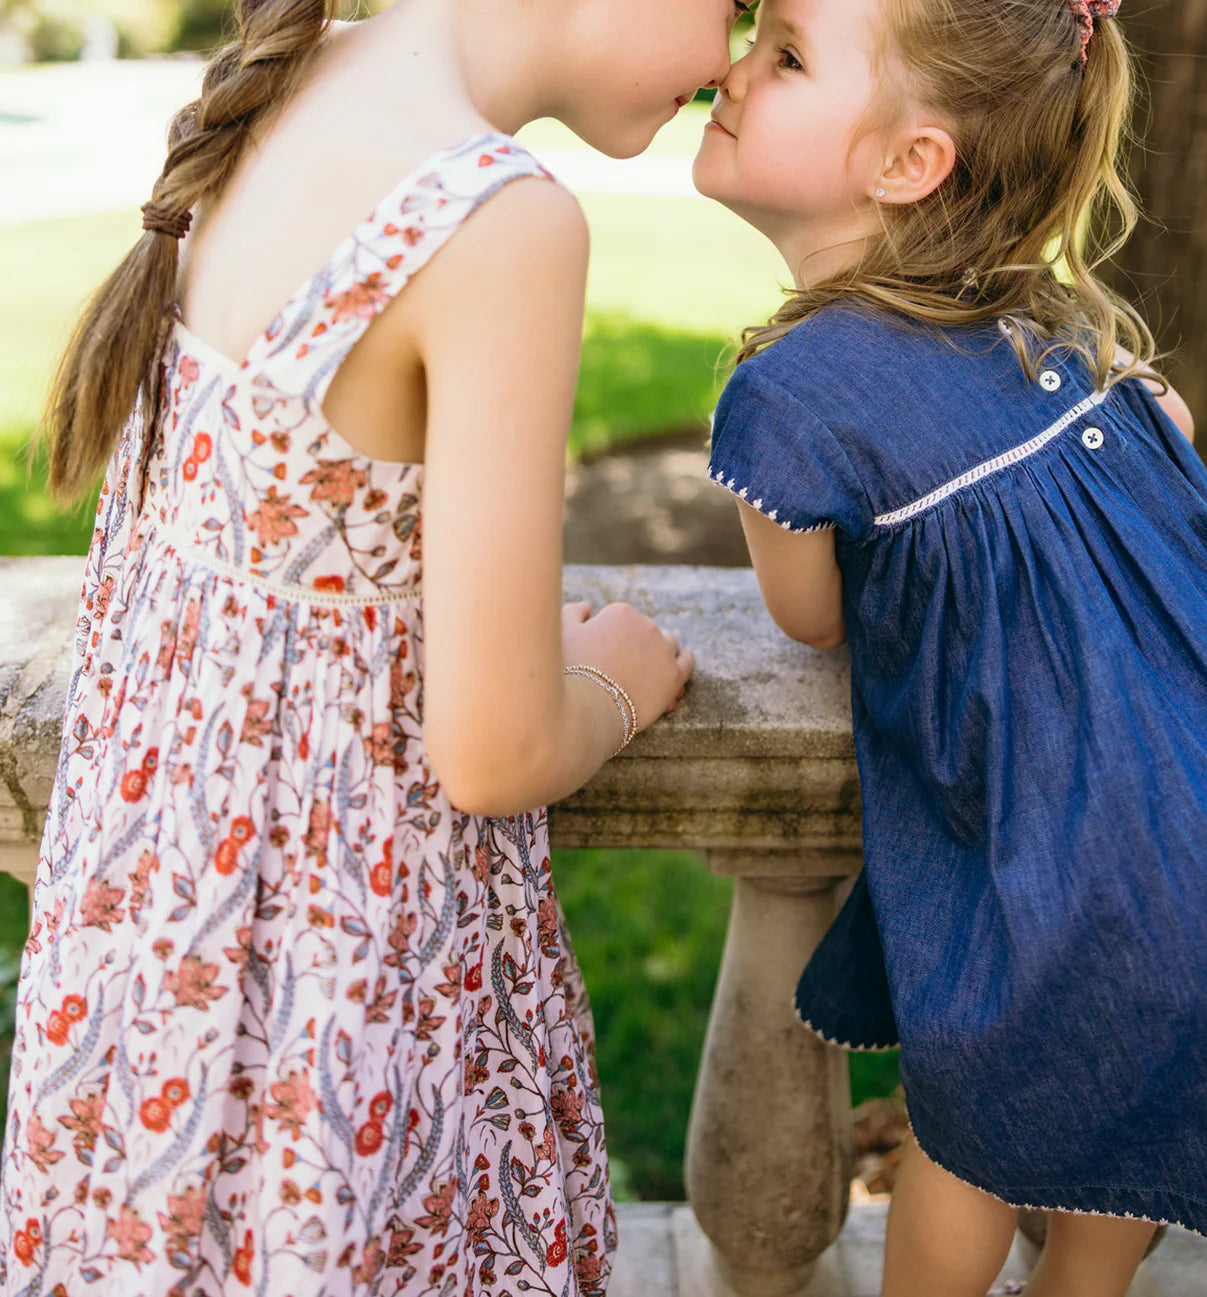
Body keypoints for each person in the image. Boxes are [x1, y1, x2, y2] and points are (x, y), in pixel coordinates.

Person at [0, 0, 742, 1286]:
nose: (727, 57)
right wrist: (612, 680)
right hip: (327, 1000)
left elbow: (313, 569)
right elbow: (496, 749)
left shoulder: (297, 77)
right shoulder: (500, 218)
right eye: (733, 6)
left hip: (156, 964)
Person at [694, 0, 1207, 1293]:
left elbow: (813, 615)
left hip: (1076, 866)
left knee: (974, 1131)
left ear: (909, 161)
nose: (732, 67)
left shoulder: (791, 391)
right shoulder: (1055, 327)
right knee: (1128, 1105)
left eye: (785, 52)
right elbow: (1173, 442)